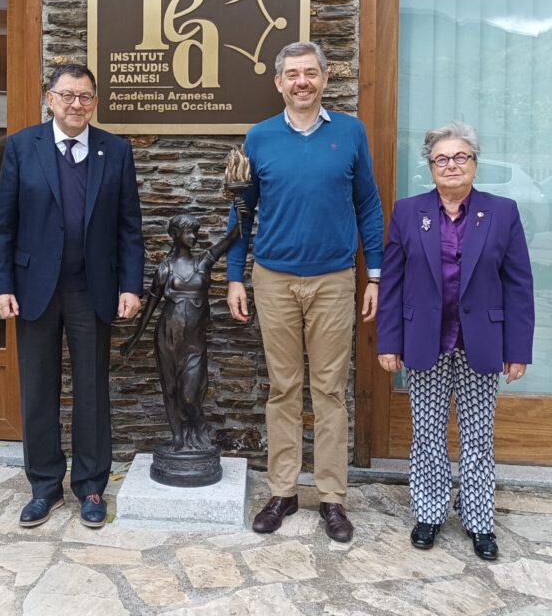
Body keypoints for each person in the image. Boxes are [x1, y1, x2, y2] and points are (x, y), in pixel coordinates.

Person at [226, 41, 383, 543]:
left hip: (335, 280)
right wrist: (234, 275)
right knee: (284, 389)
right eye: (292, 74)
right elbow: (241, 213)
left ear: (324, 78)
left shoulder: (351, 134)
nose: (302, 82)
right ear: (279, 83)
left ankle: (332, 498)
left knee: (331, 391)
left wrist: (374, 274)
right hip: (272, 279)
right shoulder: (259, 138)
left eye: (310, 73)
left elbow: (369, 207)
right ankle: (283, 491)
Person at [0, 63, 143, 529]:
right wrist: (1, 285)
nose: (77, 105)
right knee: (38, 390)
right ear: (49, 98)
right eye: (68, 95)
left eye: (85, 97)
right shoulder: (19, 147)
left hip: (91, 290)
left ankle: (92, 486)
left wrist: (131, 285)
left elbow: (129, 227)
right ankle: (44, 486)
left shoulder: (114, 151)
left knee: (92, 392)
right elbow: (3, 224)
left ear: (95, 102)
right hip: (34, 290)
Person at [376, 121, 534, 561]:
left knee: (478, 436)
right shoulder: (408, 212)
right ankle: (429, 514)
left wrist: (517, 350)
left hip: (481, 342)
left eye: (460, 157)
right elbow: (392, 283)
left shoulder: (503, 212)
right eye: (442, 158)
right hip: (425, 342)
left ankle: (479, 519)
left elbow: (519, 285)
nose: (451, 165)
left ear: (475, 164)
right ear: (429, 166)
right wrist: (390, 342)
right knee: (426, 434)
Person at [120, 208, 246, 452]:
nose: (194, 237)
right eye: (189, 232)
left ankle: (197, 429)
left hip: (194, 342)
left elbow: (231, 239)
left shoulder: (203, 262)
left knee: (190, 394)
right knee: (170, 389)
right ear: (175, 235)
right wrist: (135, 337)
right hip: (167, 338)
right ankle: (179, 437)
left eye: (195, 233)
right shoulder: (165, 269)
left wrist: (242, 212)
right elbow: (150, 308)